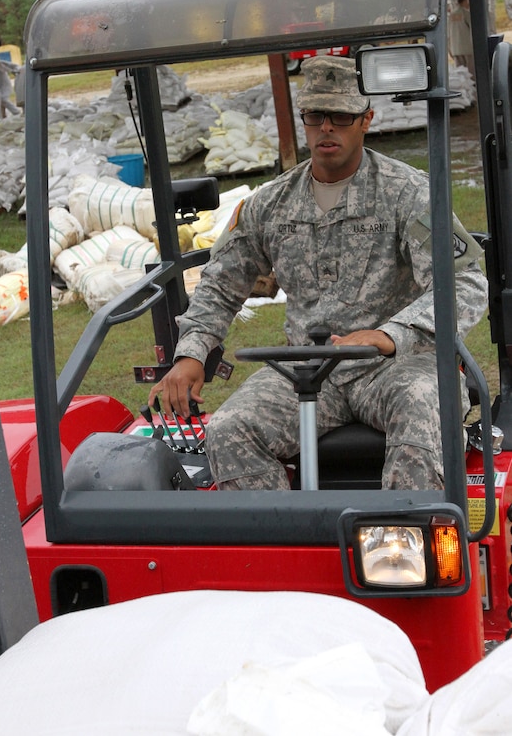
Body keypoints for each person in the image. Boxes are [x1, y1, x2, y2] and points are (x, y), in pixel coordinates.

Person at [148, 57, 487, 491]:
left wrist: (390, 334)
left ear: (366, 119)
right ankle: (280, 551)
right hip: (306, 372)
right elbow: (219, 284)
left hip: (397, 366)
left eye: (341, 116)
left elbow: (464, 282)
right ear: (303, 119)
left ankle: (403, 548)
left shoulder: (408, 193)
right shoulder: (269, 204)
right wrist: (192, 353)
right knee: (230, 428)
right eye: (315, 116)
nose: (327, 128)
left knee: (426, 409)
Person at [449, 0, 475, 81]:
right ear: (463, 2)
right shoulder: (466, 13)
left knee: (460, 72)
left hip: (456, 48)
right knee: (471, 73)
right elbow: (473, 28)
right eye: (467, 1)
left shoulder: (451, 16)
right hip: (467, 47)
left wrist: (449, 49)